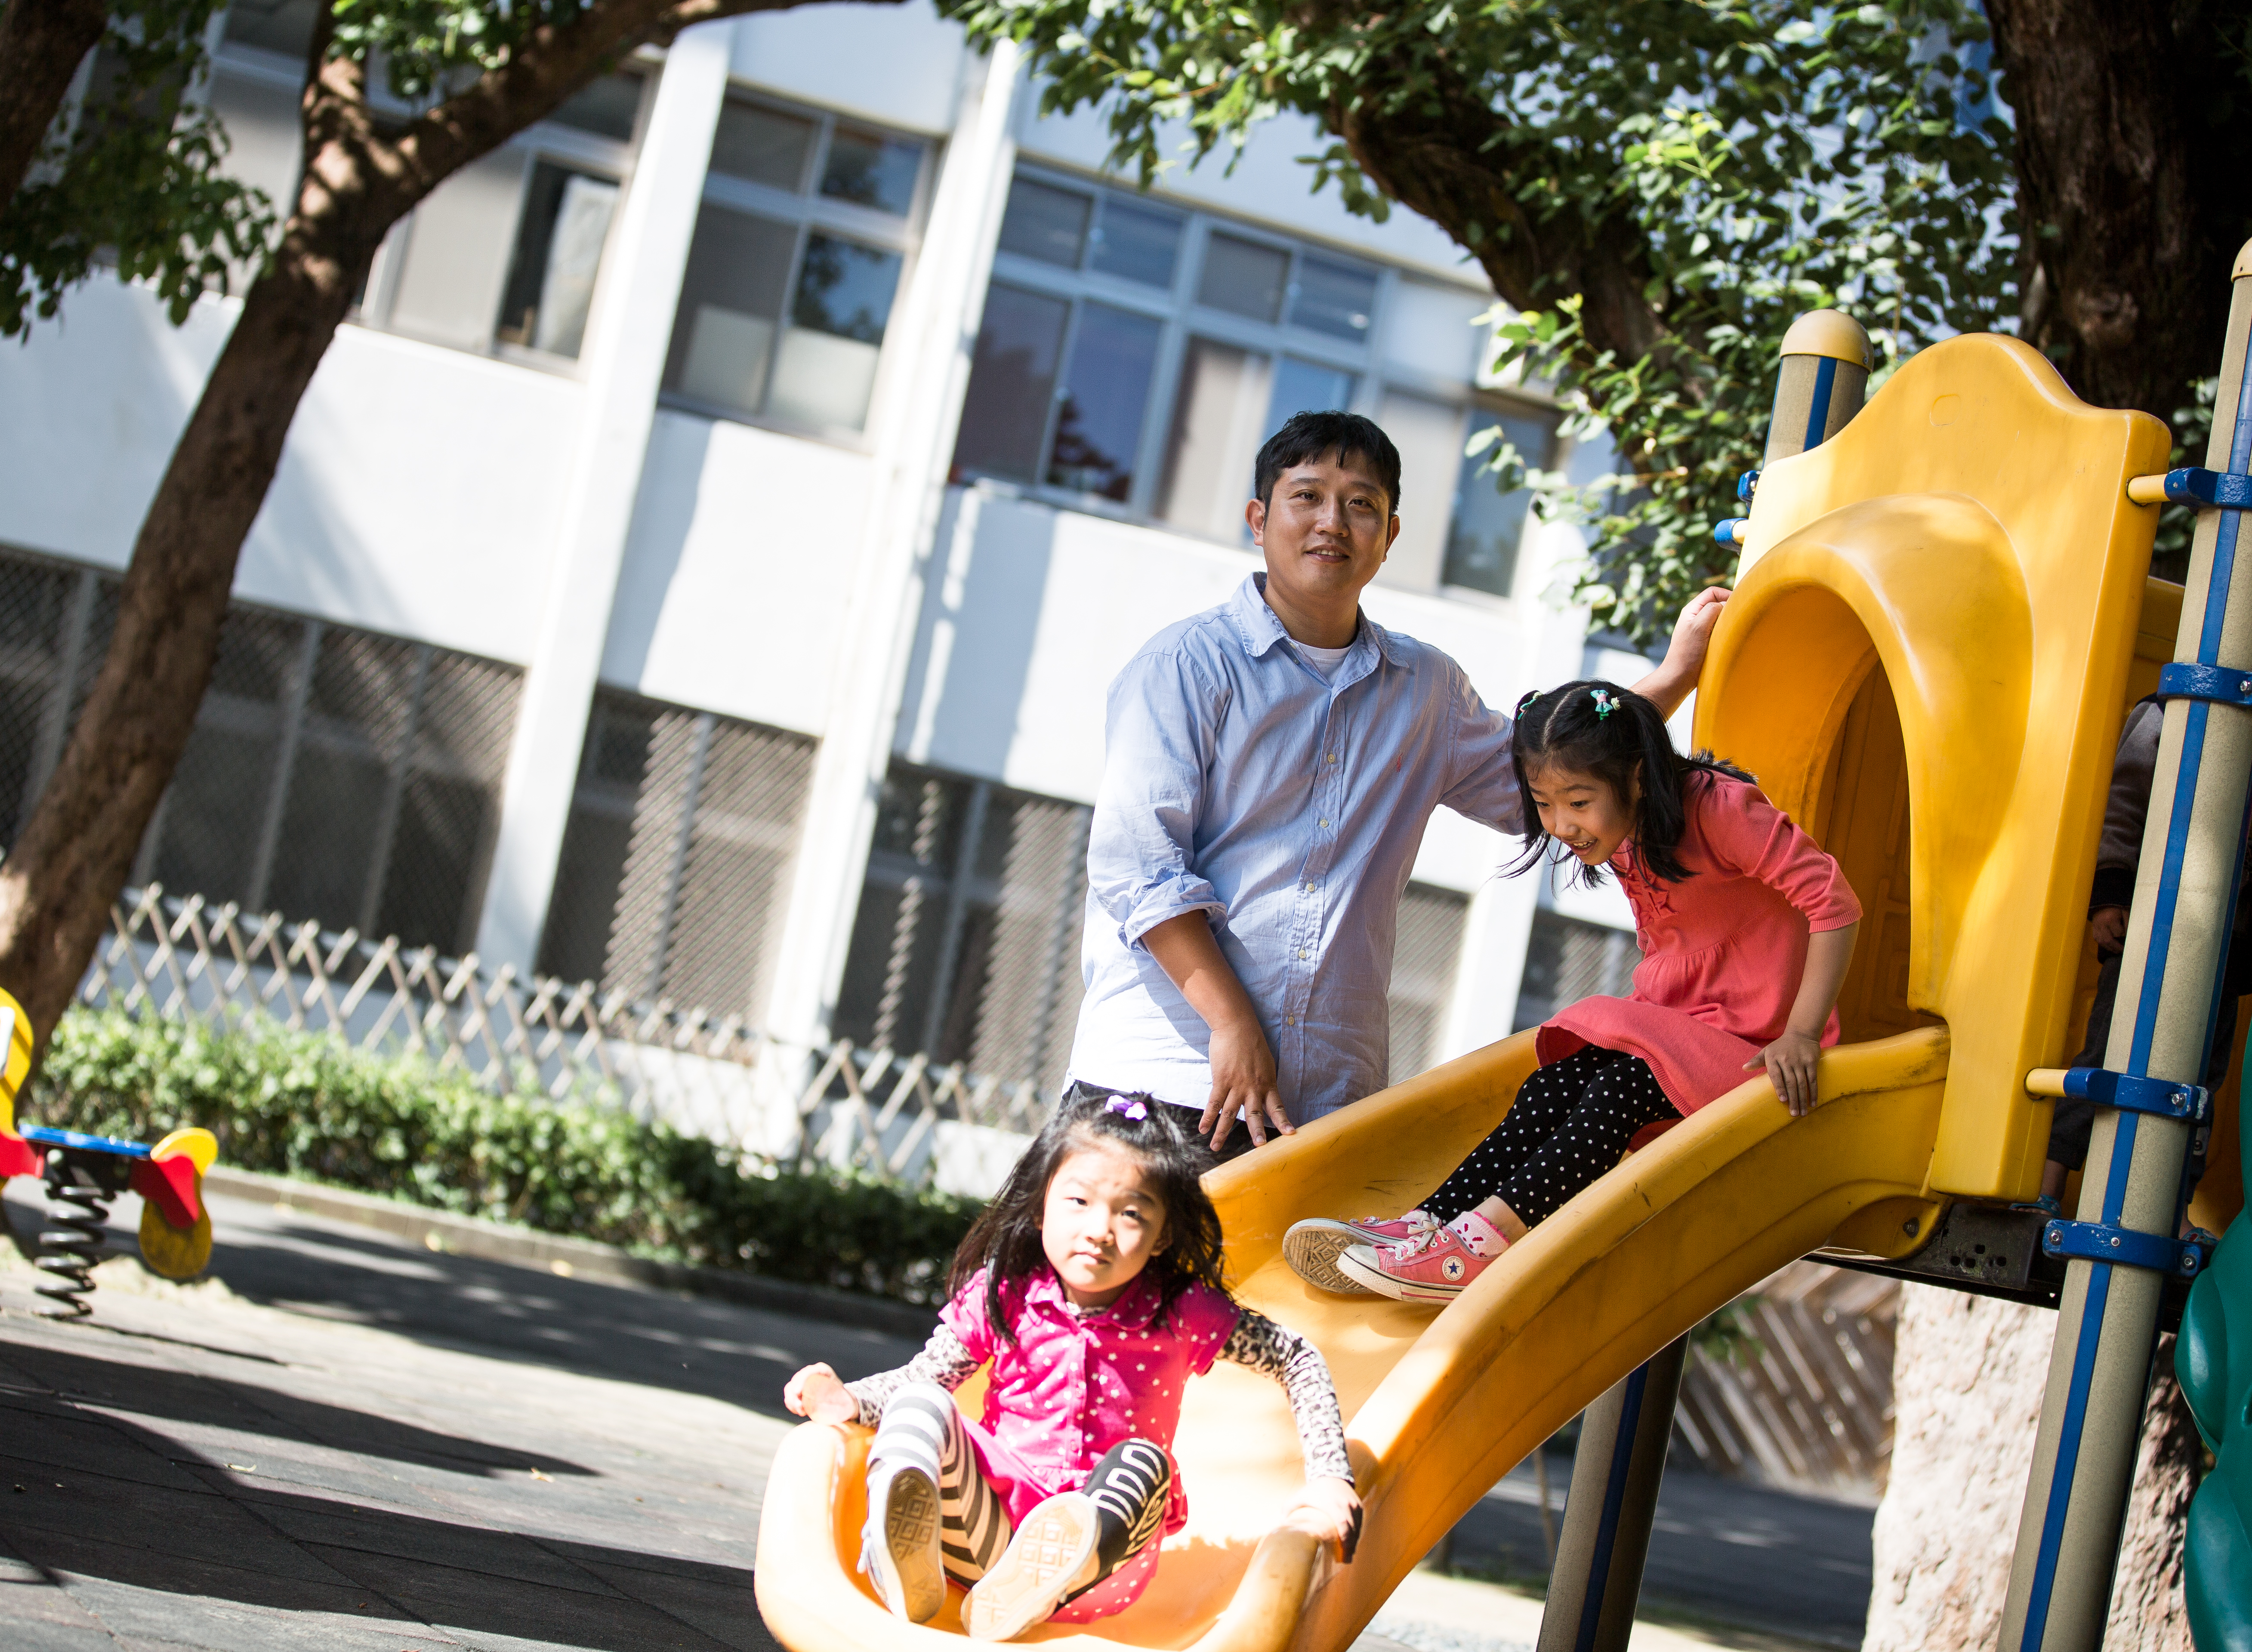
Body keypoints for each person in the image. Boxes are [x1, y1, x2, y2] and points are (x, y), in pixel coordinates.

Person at [1070, 408, 1727, 1156]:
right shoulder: (1186, 667)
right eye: (1307, 497)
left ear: (1389, 538)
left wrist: (1674, 676)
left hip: (1320, 1109)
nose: (1333, 523)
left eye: (1361, 505)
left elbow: (1545, 789)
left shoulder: (1426, 690)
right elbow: (1139, 869)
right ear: (1258, 518)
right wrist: (1232, 1023)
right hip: (1164, 1079)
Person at [1281, 679, 1860, 1302]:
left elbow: (1833, 902)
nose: (1562, 826)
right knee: (1554, 1082)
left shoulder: (1719, 808)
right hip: (1686, 1029)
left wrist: (1801, 1034)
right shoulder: (1627, 831)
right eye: (1545, 804)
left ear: (1637, 777)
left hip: (1758, 1048)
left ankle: (1483, 1247)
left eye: (1579, 802)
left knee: (1618, 1088)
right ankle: (1431, 1223)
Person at [783, 1090, 1360, 1641]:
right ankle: (904, 1557)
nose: (1099, 1230)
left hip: (1101, 1565)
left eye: (1132, 1213)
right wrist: (850, 1400)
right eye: (1078, 1202)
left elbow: (1295, 1355)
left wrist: (1330, 1475)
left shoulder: (1178, 1308)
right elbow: (923, 1377)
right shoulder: (1006, 1293)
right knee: (919, 1404)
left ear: (1162, 1236)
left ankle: (1043, 1578)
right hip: (987, 1538)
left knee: (1143, 1462)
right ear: (1040, 1209)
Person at [2036, 564, 2252, 1209]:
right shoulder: (2168, 716)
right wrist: (2111, 895)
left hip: (2225, 954)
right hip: (2153, 931)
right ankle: (2050, 1186)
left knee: (2199, 1083)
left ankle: (2167, 1211)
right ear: (2244, 630)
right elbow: (2124, 809)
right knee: (2113, 1051)